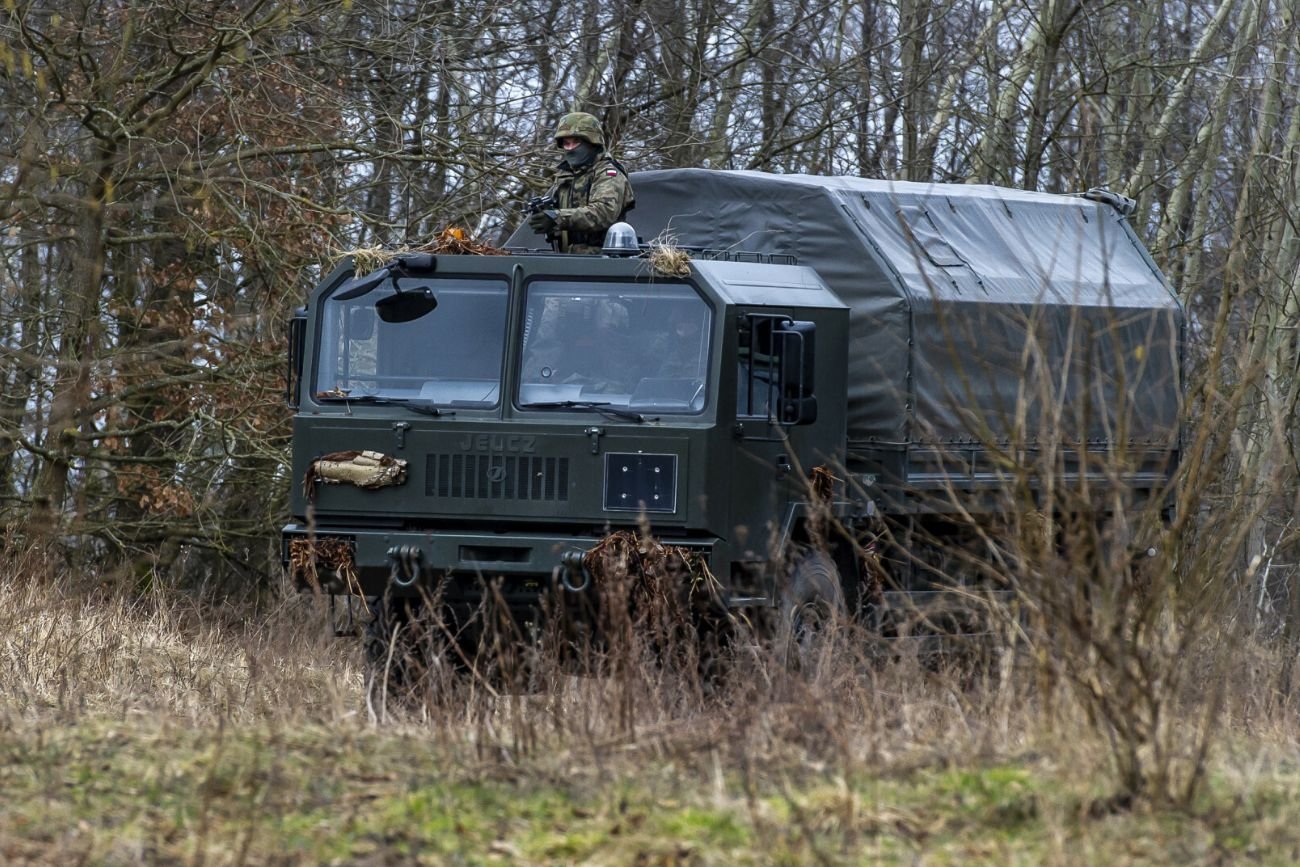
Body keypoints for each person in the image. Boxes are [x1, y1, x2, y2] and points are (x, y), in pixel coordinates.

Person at [527, 112, 635, 254]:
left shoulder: (608, 173)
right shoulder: (565, 175)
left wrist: (557, 217)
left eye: (576, 142)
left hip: (602, 259)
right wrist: (545, 216)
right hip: (567, 257)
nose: (571, 148)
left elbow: (604, 212)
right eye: (566, 143)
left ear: (592, 143)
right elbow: (560, 217)